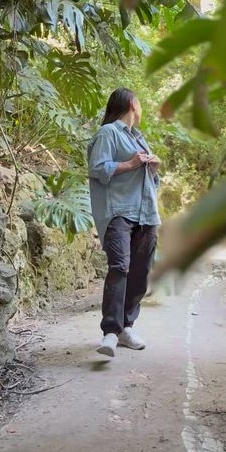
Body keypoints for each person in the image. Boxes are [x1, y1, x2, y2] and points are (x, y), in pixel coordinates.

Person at [87, 88, 161, 357]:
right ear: (132, 104)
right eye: (139, 103)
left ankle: (127, 327)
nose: (140, 108)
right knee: (120, 267)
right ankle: (110, 332)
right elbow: (97, 168)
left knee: (141, 271)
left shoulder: (139, 139)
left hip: (147, 214)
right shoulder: (108, 132)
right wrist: (130, 165)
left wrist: (152, 169)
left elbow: (152, 183)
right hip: (119, 212)